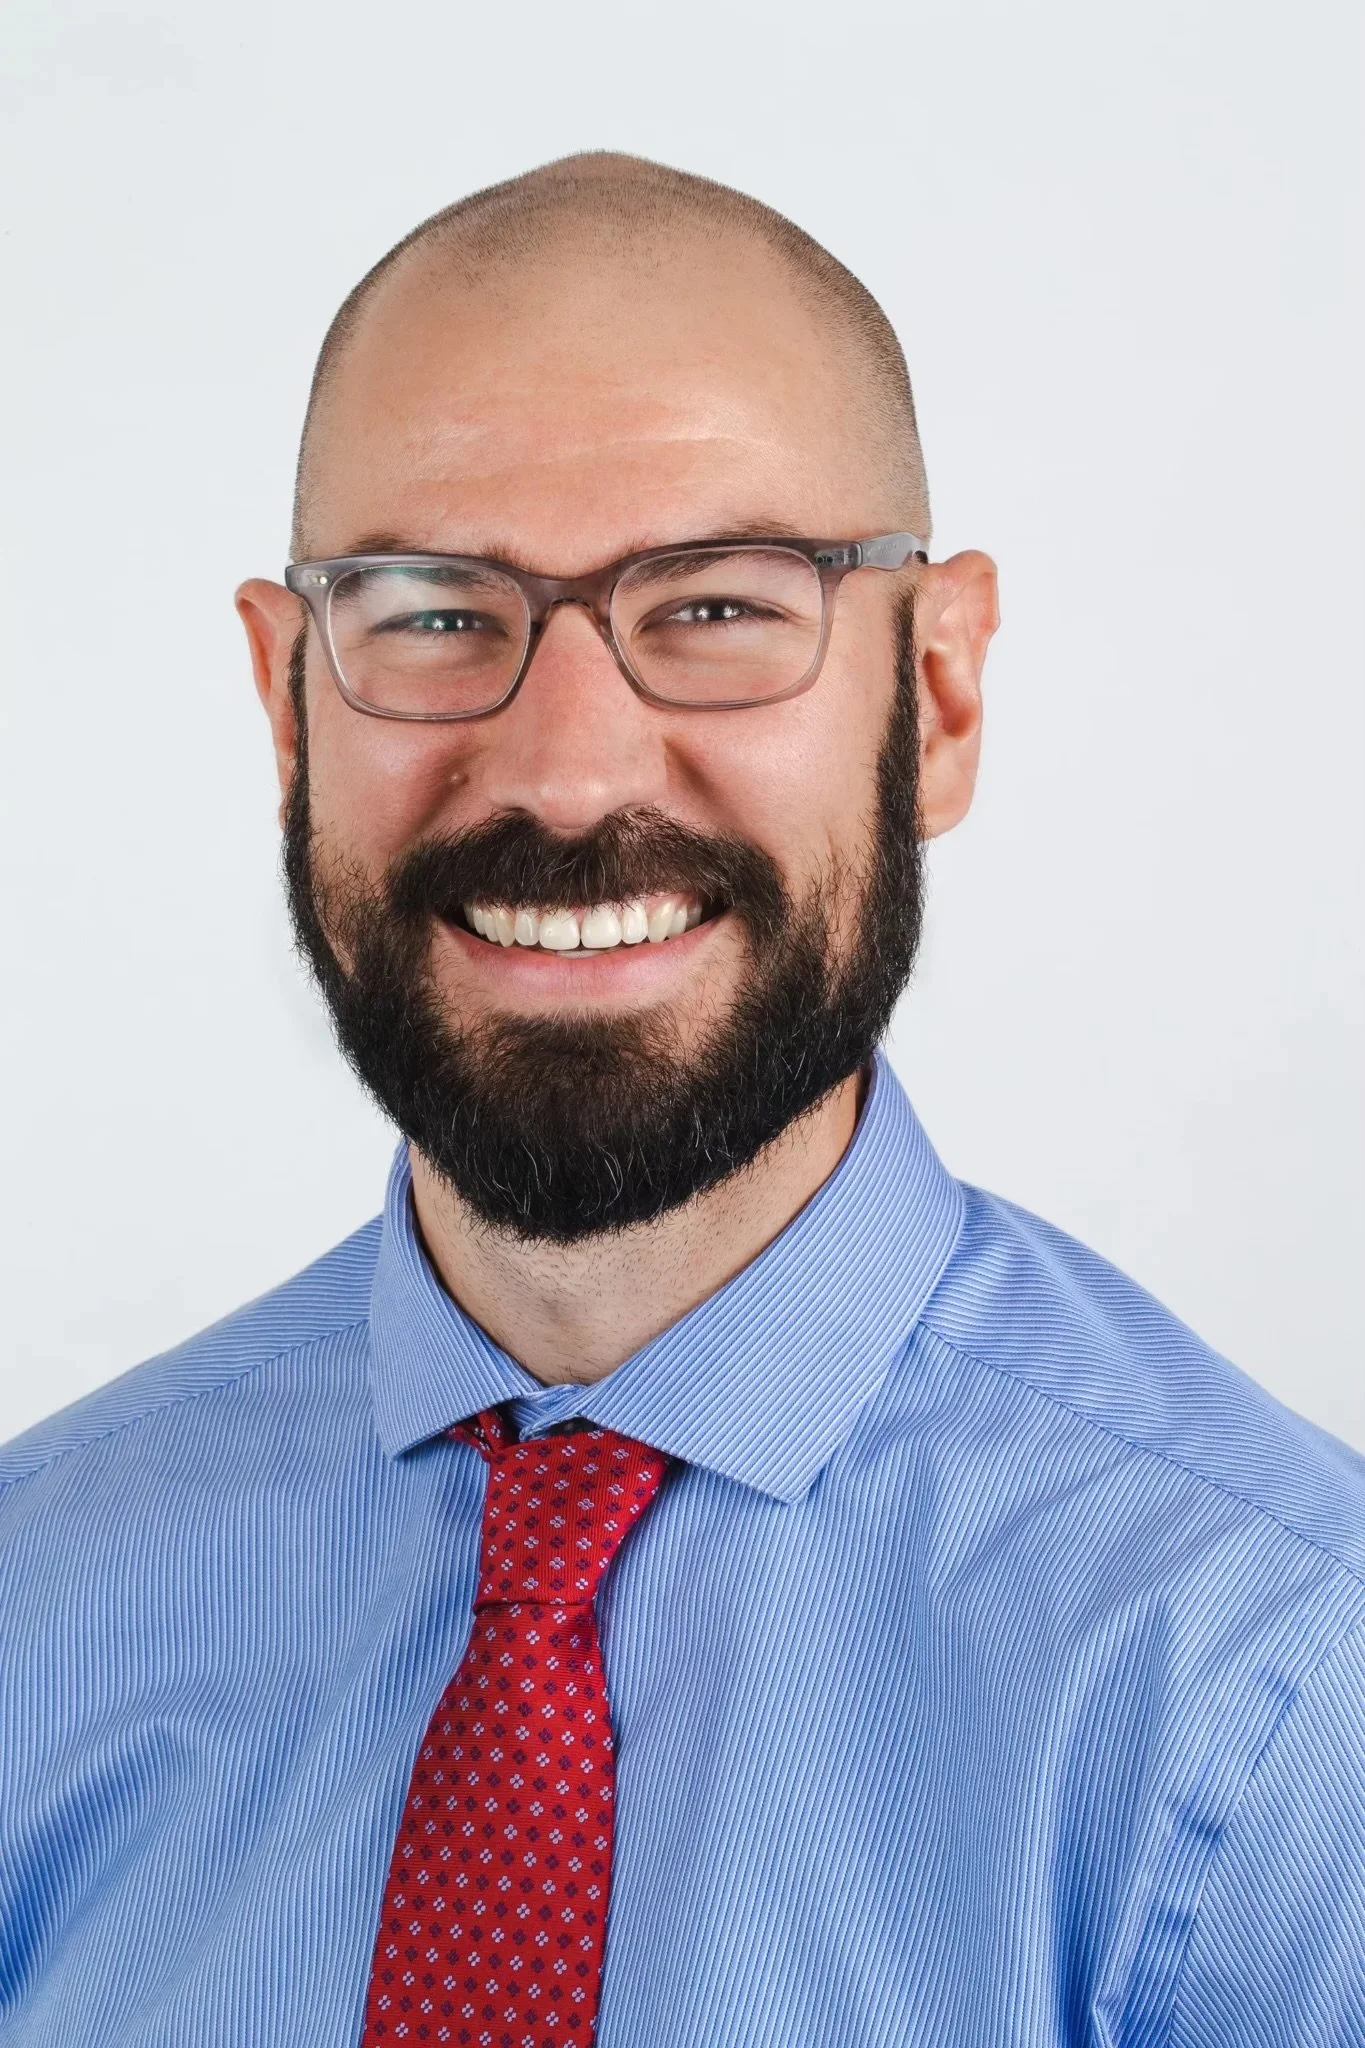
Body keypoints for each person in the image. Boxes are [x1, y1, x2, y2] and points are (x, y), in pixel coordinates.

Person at [1, 152, 1361, 2048]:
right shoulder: (30, 1600)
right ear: (289, 702)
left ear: (941, 696)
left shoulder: (1290, 1689)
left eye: (719, 606)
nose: (564, 772)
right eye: (431, 610)